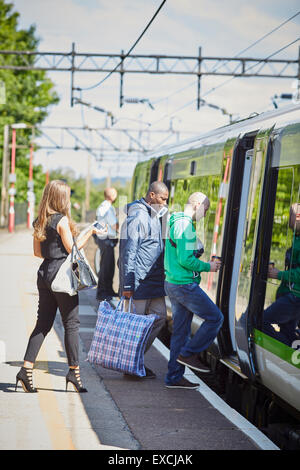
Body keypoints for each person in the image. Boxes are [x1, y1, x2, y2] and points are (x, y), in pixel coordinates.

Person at [15, 180, 106, 393]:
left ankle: (25, 371)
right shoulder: (61, 220)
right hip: (61, 276)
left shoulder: (40, 220)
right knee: (71, 324)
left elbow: (38, 253)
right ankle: (74, 374)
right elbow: (73, 248)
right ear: (61, 198)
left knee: (43, 324)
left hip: (44, 273)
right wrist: (90, 232)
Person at [164, 192, 224, 389]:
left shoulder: (177, 222)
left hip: (174, 282)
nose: (205, 214)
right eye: (205, 209)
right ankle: (189, 354)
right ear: (197, 205)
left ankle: (174, 378)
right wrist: (209, 267)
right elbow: (185, 260)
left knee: (180, 333)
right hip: (184, 285)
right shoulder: (185, 226)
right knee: (216, 318)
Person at [119, 181, 169, 378]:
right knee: (136, 325)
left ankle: (134, 358)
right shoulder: (139, 215)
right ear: (151, 196)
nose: (165, 203)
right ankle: (130, 364)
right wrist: (128, 283)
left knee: (159, 317)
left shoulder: (155, 215)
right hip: (139, 281)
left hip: (154, 280)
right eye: (162, 199)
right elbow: (128, 251)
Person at [263, 203, 300, 346]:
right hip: (291, 295)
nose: (288, 220)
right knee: (288, 333)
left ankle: (284, 353)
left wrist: (279, 275)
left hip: (295, 297)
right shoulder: (296, 237)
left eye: (290, 215)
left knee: (260, 321)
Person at [94, 187, 119, 301]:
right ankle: (103, 292)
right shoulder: (107, 208)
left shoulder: (102, 206)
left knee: (108, 266)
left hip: (104, 239)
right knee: (106, 267)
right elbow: (114, 225)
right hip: (106, 239)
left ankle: (108, 290)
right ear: (112, 196)